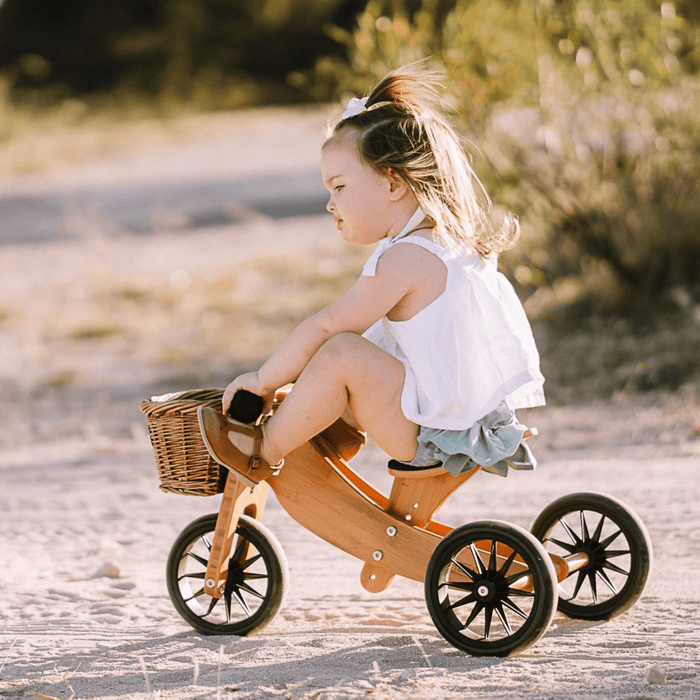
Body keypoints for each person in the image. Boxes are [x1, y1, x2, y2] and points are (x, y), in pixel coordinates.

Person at [198, 61, 545, 486]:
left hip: (435, 434)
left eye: (340, 187)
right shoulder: (441, 243)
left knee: (341, 351)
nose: (331, 204)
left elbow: (325, 325)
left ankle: (262, 450)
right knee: (349, 355)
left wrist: (262, 380)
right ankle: (329, 421)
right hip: (450, 419)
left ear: (393, 183)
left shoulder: (405, 259)